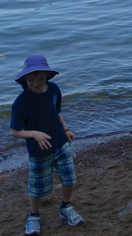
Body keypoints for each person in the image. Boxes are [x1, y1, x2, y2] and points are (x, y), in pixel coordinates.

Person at [10, 55, 83, 235]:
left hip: (60, 143)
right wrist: (33, 133)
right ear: (25, 79)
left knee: (69, 178)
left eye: (40, 79)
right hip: (39, 150)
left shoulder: (54, 90)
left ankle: (65, 206)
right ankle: (34, 215)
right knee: (37, 186)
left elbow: (57, 112)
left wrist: (66, 130)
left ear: (47, 77)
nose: (36, 83)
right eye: (31, 80)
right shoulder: (21, 102)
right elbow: (14, 131)